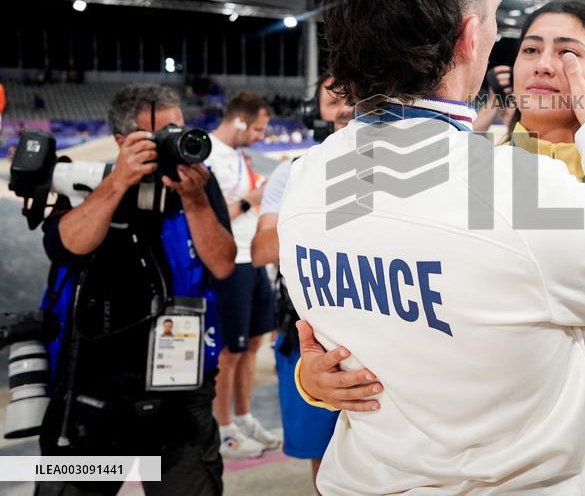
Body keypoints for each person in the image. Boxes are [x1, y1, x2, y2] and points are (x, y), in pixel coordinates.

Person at [279, 0, 585, 494]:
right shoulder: (521, 192)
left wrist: (311, 380)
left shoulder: (306, 179)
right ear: (469, 37)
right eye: (494, 14)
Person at [297, 0, 585, 496]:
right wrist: (313, 377)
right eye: (531, 49)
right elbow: (394, 305)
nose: (544, 64)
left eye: (568, 52)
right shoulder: (460, 180)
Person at [37, 83, 236, 495]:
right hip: (94, 380)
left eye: (179, 128)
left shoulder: (199, 180)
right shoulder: (88, 179)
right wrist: (117, 183)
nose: (174, 140)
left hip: (181, 382)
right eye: (160, 133)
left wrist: (195, 199)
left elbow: (222, 263)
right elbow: (67, 246)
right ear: (121, 140)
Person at [250, 75, 352, 488]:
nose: (346, 108)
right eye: (334, 101)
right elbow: (261, 250)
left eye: (354, 98)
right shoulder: (292, 172)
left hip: (376, 322)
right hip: (307, 331)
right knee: (321, 453)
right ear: (314, 113)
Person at [205, 91, 279, 459]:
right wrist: (253, 198)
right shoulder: (206, 155)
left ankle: (245, 417)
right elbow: (212, 219)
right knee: (229, 351)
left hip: (253, 259)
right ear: (239, 121)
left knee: (252, 345)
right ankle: (223, 429)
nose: (261, 137)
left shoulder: (236, 155)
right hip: (230, 262)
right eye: (258, 129)